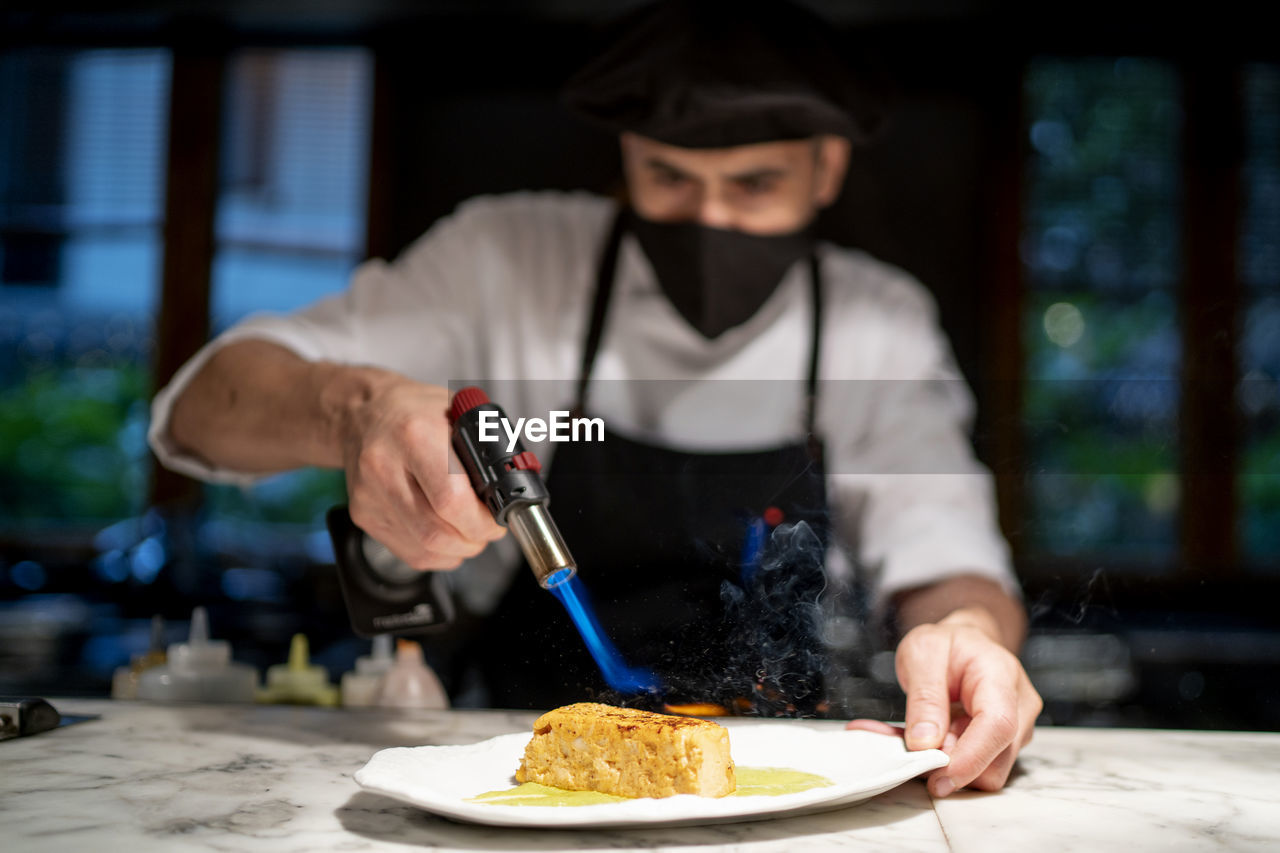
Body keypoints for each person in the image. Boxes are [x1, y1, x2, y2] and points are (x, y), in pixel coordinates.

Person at [149, 0, 1041, 796]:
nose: (709, 220)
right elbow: (193, 413)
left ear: (827, 169)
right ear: (627, 154)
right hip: (504, 767)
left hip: (783, 781)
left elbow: (947, 552)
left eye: (755, 184)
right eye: (670, 177)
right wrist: (355, 410)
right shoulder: (504, 258)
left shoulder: (877, 321)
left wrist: (967, 634)